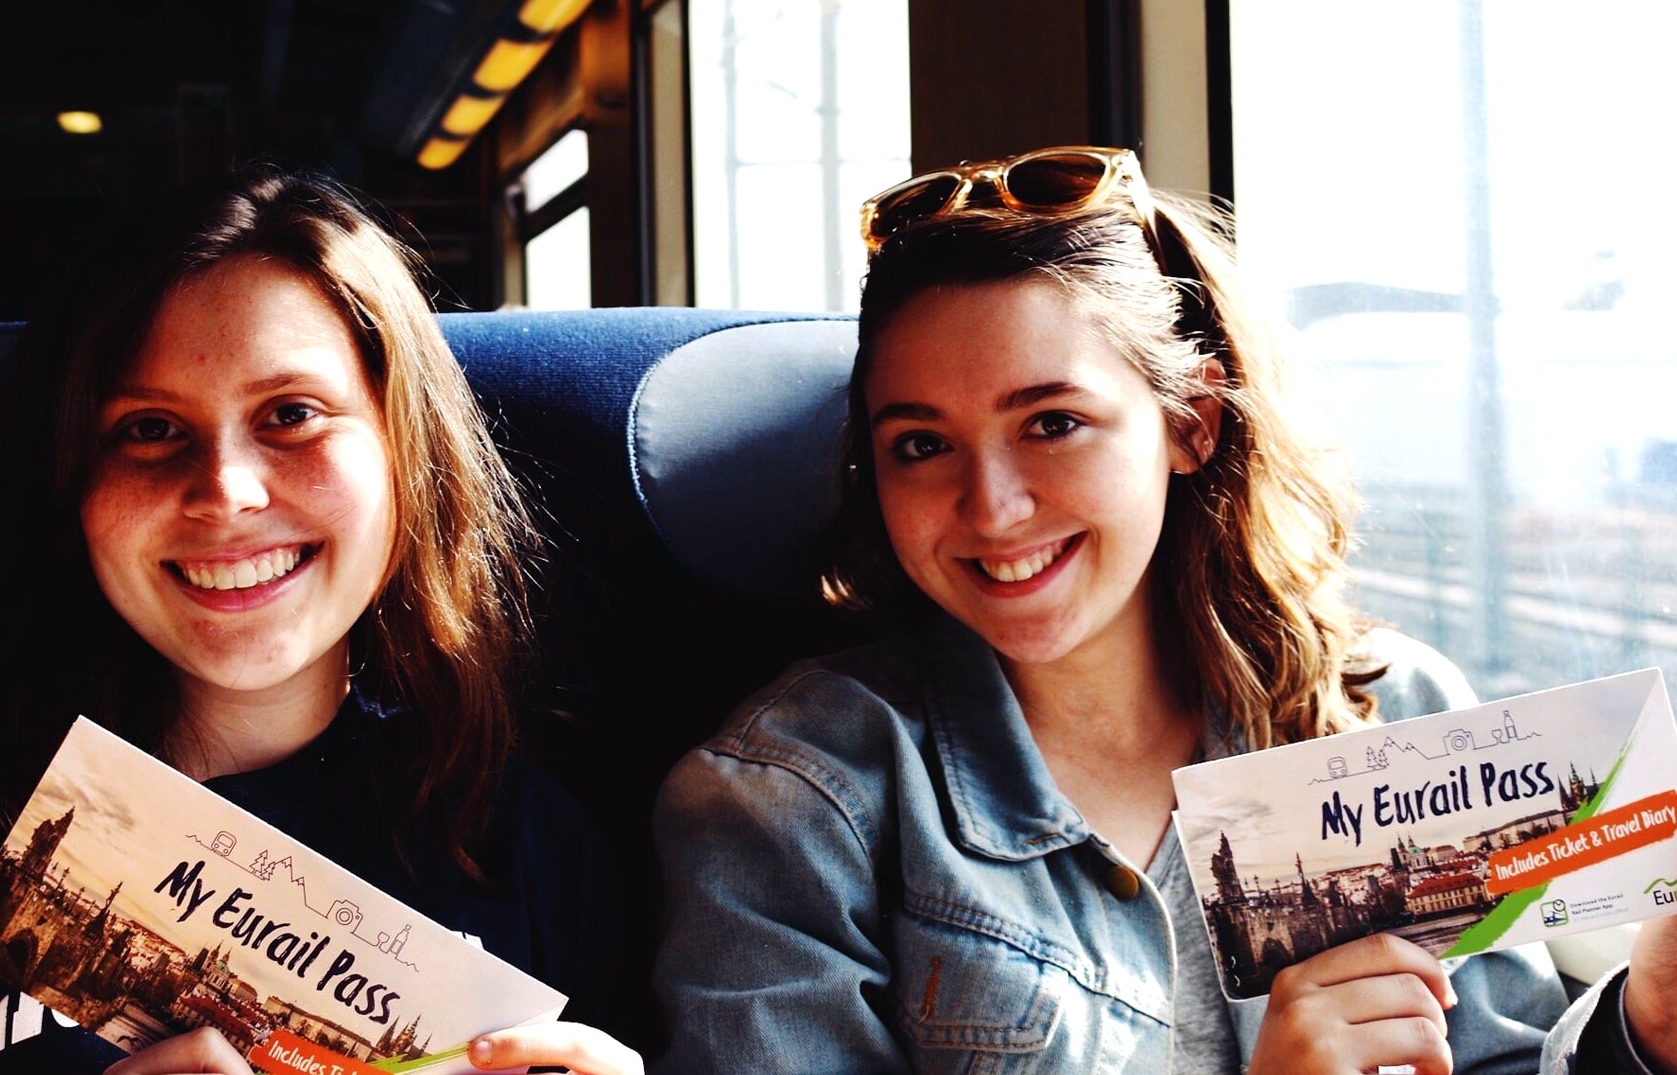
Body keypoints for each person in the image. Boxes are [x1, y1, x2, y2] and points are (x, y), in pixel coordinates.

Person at [650, 145, 1677, 1074]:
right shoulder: (797, 802)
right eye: (921, 444)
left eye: (1052, 424)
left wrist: (1641, 1031)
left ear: (1191, 424)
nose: (991, 507)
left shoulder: (1390, 714)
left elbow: (1499, 1060)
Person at [0, 162, 641, 1075]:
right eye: (149, 429)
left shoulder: (527, 847)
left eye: (291, 415)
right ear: (71, 476)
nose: (225, 492)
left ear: (402, 448)